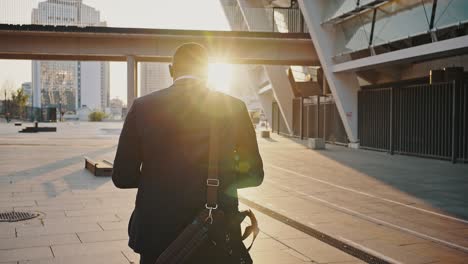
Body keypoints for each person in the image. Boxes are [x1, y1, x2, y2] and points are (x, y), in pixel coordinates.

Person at [112, 43, 264, 264]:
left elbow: (122, 177)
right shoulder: (235, 107)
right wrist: (218, 180)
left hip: (156, 234)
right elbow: (255, 175)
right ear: (209, 72)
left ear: (171, 70)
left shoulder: (143, 107)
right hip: (216, 233)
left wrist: (159, 180)